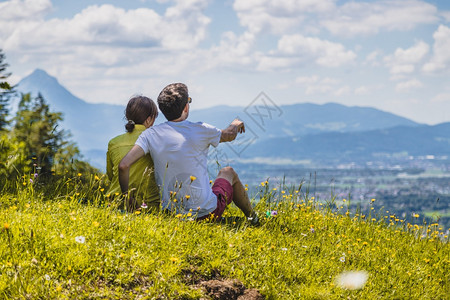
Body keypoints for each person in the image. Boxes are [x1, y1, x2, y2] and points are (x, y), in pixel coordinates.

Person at [118, 83, 258, 224]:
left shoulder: (149, 134)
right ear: (186, 107)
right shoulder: (201, 129)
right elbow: (229, 135)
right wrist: (236, 123)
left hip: (172, 214)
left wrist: (128, 198)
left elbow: (123, 165)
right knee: (228, 172)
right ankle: (253, 218)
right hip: (206, 212)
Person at [106, 95, 160, 211]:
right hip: (148, 205)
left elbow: (111, 175)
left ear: (127, 116)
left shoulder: (114, 143)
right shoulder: (156, 141)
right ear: (149, 119)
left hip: (115, 203)